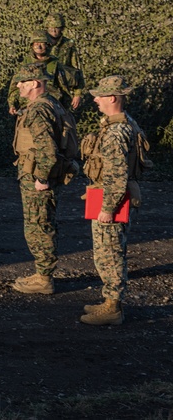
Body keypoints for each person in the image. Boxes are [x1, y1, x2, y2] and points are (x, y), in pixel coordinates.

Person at [79, 76, 148, 326]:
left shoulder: (116, 132)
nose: (95, 100)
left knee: (109, 253)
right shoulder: (122, 123)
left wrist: (108, 208)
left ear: (112, 98)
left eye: (99, 96)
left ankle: (113, 308)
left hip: (110, 197)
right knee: (110, 250)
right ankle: (109, 301)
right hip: (109, 193)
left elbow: (117, 175)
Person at [10, 63, 66, 295]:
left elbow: (48, 150)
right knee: (43, 223)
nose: (19, 86)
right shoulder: (52, 104)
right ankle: (42, 273)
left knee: (37, 227)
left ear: (34, 83)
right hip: (40, 173)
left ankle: (44, 279)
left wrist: (41, 178)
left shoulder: (38, 109)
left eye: (22, 82)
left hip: (38, 176)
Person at [8, 30, 83, 113]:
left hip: (50, 107)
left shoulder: (55, 65)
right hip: (26, 107)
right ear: (32, 45)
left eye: (42, 43)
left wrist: (77, 94)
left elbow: (75, 78)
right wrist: (12, 104)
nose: (39, 46)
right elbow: (14, 87)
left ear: (47, 45)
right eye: (36, 43)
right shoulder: (24, 65)